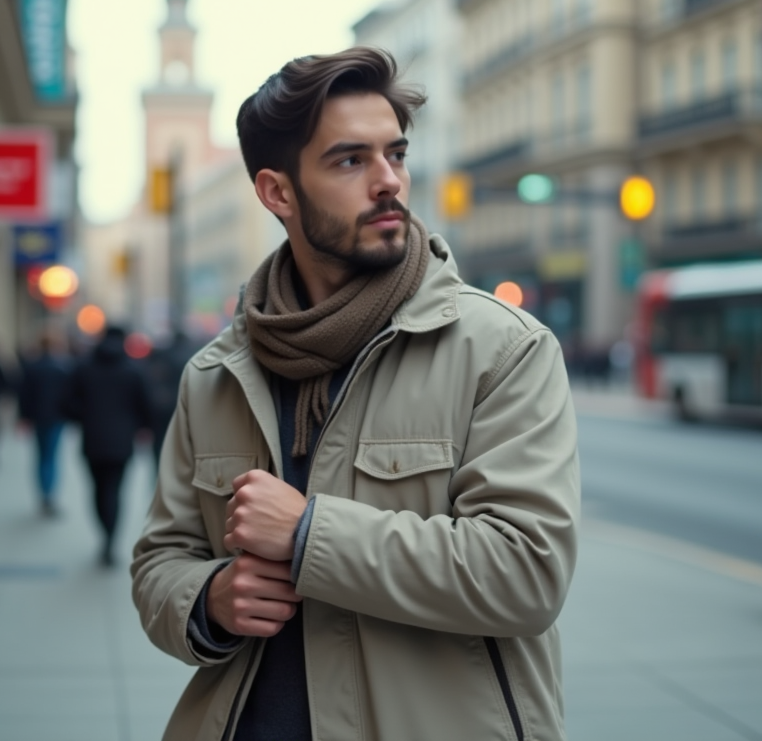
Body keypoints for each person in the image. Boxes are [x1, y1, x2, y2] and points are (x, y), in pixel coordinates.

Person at [131, 48, 581, 741]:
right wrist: (208, 599)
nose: (389, 182)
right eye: (351, 161)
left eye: (394, 155)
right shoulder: (215, 374)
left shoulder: (503, 348)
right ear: (278, 193)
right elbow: (160, 560)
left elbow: (527, 572)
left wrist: (310, 533)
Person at [63, 325, 152, 566]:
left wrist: (86, 416)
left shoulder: (83, 368)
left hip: (92, 440)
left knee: (98, 490)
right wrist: (140, 427)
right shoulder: (133, 370)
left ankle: (105, 535)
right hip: (122, 442)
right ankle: (110, 539)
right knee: (115, 491)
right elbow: (145, 405)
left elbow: (68, 403)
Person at [17, 331, 71, 516]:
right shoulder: (62, 368)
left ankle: (44, 494)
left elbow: (23, 395)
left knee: (41, 457)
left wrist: (23, 417)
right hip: (56, 418)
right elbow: (69, 395)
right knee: (53, 456)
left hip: (38, 418)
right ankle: (50, 495)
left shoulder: (33, 367)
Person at [142, 331, 197, 477]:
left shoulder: (163, 355)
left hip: (162, 408)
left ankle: (159, 476)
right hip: (186, 408)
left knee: (160, 446)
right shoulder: (194, 355)